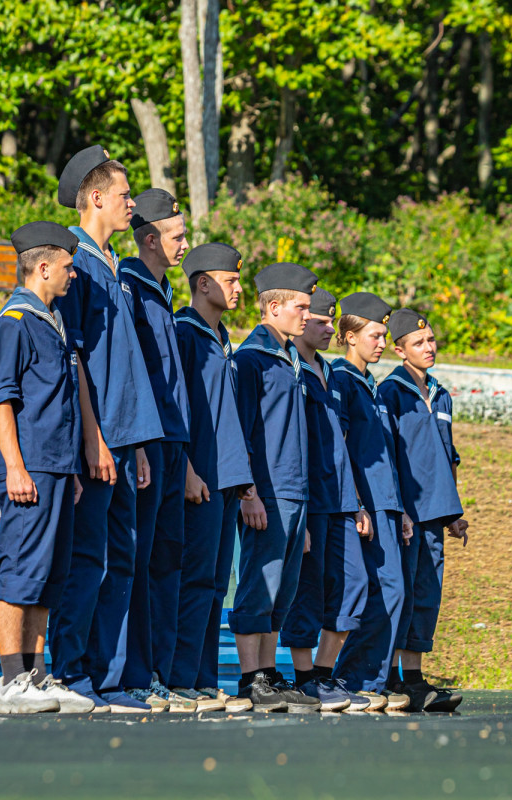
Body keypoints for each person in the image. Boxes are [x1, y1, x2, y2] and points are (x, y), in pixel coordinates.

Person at [49, 145, 163, 714]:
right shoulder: (78, 263)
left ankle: (110, 679)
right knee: (87, 559)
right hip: (96, 445)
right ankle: (71, 674)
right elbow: (76, 361)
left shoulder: (113, 264)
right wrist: (94, 439)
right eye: (124, 195)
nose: (131, 203)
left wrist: (137, 443)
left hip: (124, 441)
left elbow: (125, 368)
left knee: (121, 559)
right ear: (95, 198)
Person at [0, 220, 91, 714]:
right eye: (68, 267)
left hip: (55, 469)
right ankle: (10, 681)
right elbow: (0, 403)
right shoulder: (14, 324)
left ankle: (36, 674)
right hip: (28, 469)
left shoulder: (52, 323)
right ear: (43, 267)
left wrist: (68, 472)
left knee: (48, 575)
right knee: (19, 570)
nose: (73, 276)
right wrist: (16, 467)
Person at [231, 262, 322, 713]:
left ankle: (267, 674)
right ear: (272, 307)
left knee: (281, 591)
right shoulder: (251, 358)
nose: (307, 315)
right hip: (267, 491)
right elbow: (241, 429)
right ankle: (250, 678)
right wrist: (249, 493)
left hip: (294, 491)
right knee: (259, 584)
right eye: (300, 307)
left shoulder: (288, 359)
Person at [117, 189, 194, 713]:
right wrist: (143, 443)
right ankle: (134, 673)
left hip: (171, 444)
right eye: (177, 236)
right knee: (138, 562)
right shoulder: (129, 285)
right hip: (146, 443)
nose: (186, 244)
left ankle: (160, 672)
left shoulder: (162, 291)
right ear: (149, 239)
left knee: (167, 561)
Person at [280, 288, 374, 713]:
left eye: (330, 319)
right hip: (308, 496)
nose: (327, 327)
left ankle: (323, 673)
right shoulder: (292, 368)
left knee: (354, 584)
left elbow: (343, 444)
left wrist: (355, 501)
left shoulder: (331, 373)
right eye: (319, 319)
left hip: (339, 498)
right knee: (308, 590)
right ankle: (305, 679)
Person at [170, 243, 254, 713]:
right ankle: (182, 679)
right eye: (231, 280)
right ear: (203, 283)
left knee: (215, 584)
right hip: (199, 477)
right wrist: (186, 469)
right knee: (194, 578)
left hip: (225, 481)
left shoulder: (219, 338)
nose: (239, 288)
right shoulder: (185, 333)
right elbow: (176, 410)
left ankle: (202, 679)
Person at [380, 309, 469, 712]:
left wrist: (454, 511)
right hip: (407, 516)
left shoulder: (441, 392)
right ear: (399, 350)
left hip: (436, 512)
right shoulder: (391, 393)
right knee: (402, 593)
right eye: (418, 343)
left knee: (426, 596)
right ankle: (389, 677)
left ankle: (414, 679)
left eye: (431, 340)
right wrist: (398, 510)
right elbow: (387, 457)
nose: (429, 347)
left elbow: (447, 457)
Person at [331, 292, 411, 712]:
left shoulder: (370, 384)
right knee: (380, 591)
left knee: (392, 591)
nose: (382, 342)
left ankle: (368, 679)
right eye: (374, 335)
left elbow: (382, 453)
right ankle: (353, 678)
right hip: (366, 504)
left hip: (387, 503)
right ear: (348, 336)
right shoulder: (342, 380)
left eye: (383, 335)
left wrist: (400, 510)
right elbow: (342, 446)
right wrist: (358, 501)